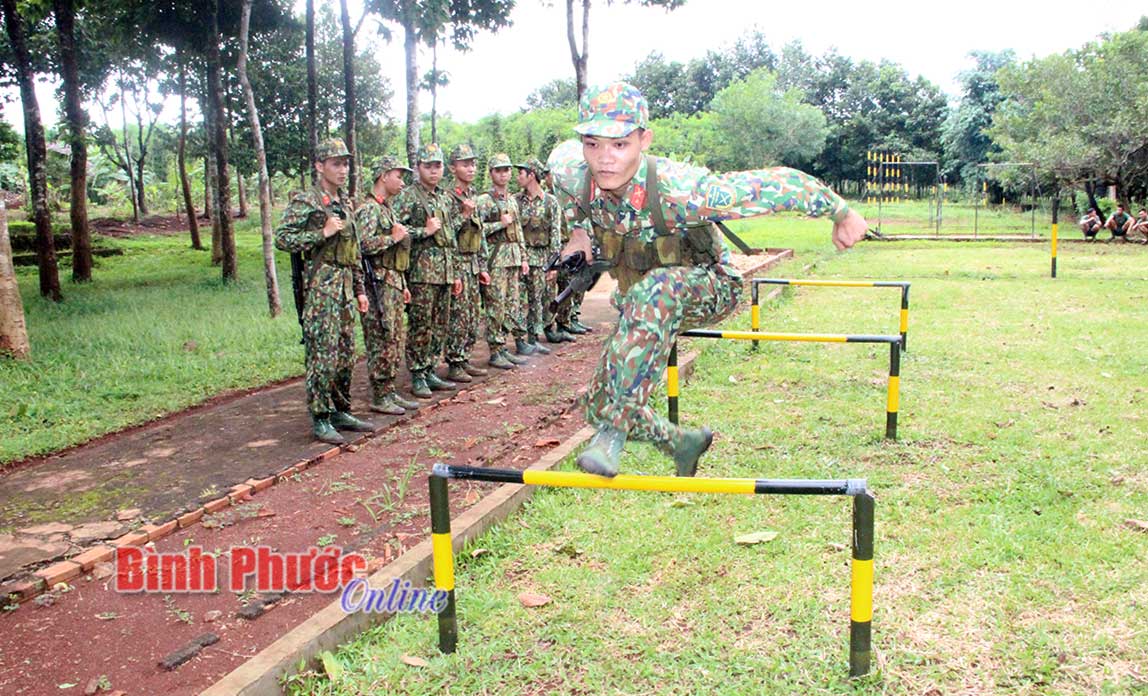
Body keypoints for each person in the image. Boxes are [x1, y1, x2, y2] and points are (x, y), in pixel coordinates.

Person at [548, 82, 868, 478]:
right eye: (592, 144)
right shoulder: (569, 171)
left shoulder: (682, 190)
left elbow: (777, 185)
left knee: (655, 293)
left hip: (710, 285)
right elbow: (560, 176)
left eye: (619, 145)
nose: (604, 159)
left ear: (644, 140)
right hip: (641, 303)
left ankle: (612, 434)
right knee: (597, 402)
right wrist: (578, 235)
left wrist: (842, 212)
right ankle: (681, 444)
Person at [274, 138, 376, 444]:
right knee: (323, 354)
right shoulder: (306, 202)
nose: (343, 169)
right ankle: (320, 417)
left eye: (345, 163)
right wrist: (321, 233)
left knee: (345, 353)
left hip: (345, 285)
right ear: (320, 166)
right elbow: (282, 238)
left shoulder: (347, 204)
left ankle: (340, 410)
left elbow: (353, 250)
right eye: (336, 163)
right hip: (321, 287)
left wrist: (359, 288)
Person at [392, 143, 463, 398]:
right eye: (428, 166)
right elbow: (396, 231)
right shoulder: (408, 196)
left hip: (443, 270)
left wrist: (454, 272)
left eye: (438, 166)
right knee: (421, 324)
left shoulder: (444, 197)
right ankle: (418, 373)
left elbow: (451, 236)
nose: (434, 171)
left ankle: (431, 367)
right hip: (421, 271)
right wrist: (424, 231)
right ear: (418, 168)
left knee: (440, 323)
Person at [354, 155, 422, 415]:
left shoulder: (386, 208)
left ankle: (390, 390)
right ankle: (380, 394)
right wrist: (391, 239)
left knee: (393, 337)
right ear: (384, 176)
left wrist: (402, 282)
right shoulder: (369, 209)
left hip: (392, 280)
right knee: (381, 338)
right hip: (377, 284)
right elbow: (361, 246)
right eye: (398, 175)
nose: (402, 181)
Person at [477, 153, 532, 368]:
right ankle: (495, 350)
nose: (504, 174)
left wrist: (523, 257)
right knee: (495, 307)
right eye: (499, 170)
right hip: (495, 259)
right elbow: (477, 232)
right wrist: (499, 224)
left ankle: (503, 347)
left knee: (512, 305)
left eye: (507, 170)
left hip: (513, 258)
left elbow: (518, 230)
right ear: (491, 173)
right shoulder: (484, 201)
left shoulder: (511, 200)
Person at [444, 144, 492, 382]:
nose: (471, 168)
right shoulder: (447, 198)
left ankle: (464, 358)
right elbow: (444, 235)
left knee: (472, 315)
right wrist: (462, 216)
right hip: (457, 263)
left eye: (473, 163)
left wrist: (483, 266)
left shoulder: (472, 195)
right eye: (465, 164)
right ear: (453, 168)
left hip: (473, 262)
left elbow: (480, 233)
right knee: (459, 316)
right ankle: (454, 361)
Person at [514, 158, 563, 354]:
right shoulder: (516, 200)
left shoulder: (550, 202)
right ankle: (520, 339)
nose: (518, 177)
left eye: (521, 173)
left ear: (532, 175)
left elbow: (555, 234)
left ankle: (534, 338)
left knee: (537, 299)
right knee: (518, 299)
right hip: (521, 257)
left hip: (542, 257)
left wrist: (553, 264)